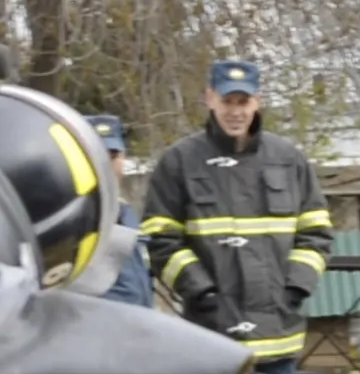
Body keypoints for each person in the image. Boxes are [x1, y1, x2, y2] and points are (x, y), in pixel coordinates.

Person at [137, 57, 331, 340]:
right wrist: (202, 293)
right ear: (210, 99)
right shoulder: (179, 161)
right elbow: (159, 237)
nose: (236, 112)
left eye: (244, 102)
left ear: (257, 102)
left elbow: (316, 233)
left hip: (279, 331)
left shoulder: (289, 159)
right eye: (228, 101)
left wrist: (295, 289)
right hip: (209, 334)